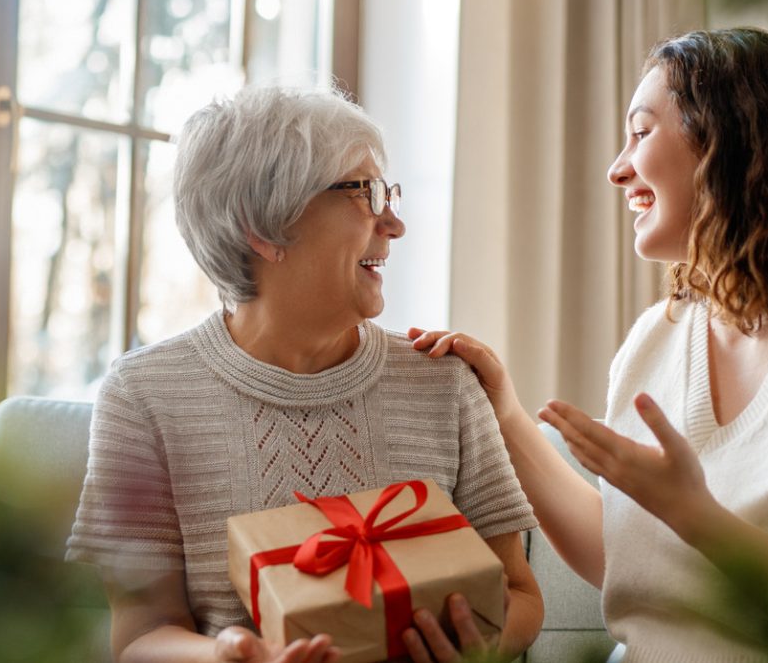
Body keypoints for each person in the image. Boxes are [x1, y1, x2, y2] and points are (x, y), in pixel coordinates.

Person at [410, 27, 768, 661]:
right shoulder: (657, 338)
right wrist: (504, 415)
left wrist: (695, 515)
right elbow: (627, 563)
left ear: (732, 144)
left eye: (641, 131)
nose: (616, 167)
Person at [66, 85, 543, 663]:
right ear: (262, 227)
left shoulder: (445, 382)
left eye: (387, 192)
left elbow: (519, 594)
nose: (394, 223)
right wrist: (227, 658)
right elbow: (141, 636)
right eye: (364, 193)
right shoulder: (143, 395)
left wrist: (476, 645)